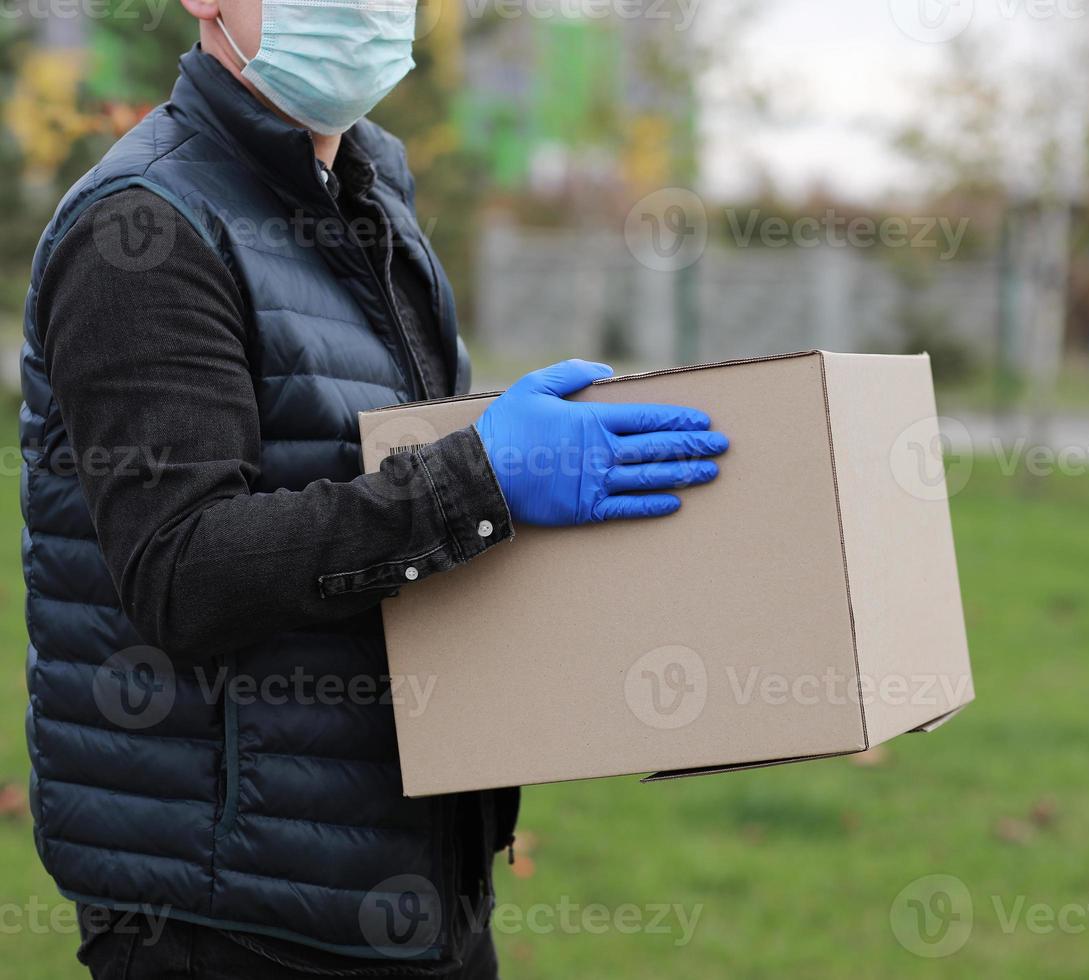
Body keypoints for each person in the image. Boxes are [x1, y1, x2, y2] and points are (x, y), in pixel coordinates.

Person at [20, 2, 730, 977]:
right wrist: (482, 475)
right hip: (232, 910)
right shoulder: (144, 229)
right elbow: (183, 569)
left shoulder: (365, 191)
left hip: (405, 872)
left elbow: (385, 503)